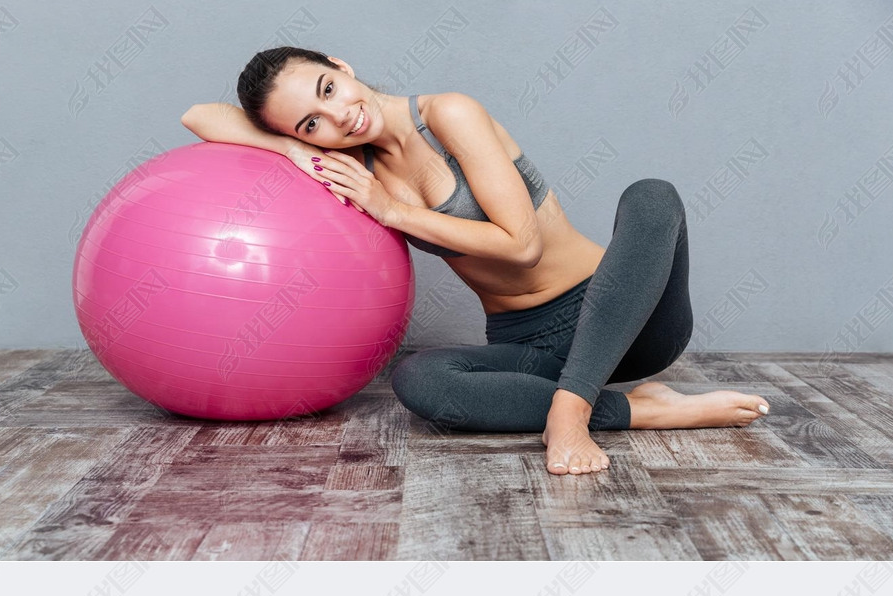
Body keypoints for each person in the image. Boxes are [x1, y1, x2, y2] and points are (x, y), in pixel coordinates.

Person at [182, 47, 771, 476]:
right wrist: (290, 144)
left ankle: (572, 411)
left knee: (652, 195)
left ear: (341, 66)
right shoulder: (351, 165)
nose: (338, 118)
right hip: (531, 345)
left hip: (626, 319)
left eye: (327, 91)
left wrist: (391, 211)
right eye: (312, 123)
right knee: (417, 379)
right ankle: (637, 410)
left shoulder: (448, 114)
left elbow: (522, 244)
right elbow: (199, 116)